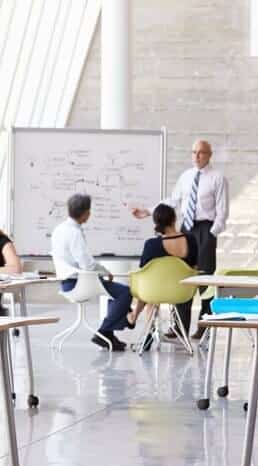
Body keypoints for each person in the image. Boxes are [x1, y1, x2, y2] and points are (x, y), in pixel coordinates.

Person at [132, 139, 229, 338]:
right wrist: (148, 211)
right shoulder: (186, 176)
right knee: (182, 277)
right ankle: (179, 326)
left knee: (204, 279)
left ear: (209, 154)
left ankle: (204, 325)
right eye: (193, 152)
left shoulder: (217, 178)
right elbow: (172, 200)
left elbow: (222, 211)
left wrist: (211, 234)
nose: (196, 156)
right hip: (186, 230)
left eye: (201, 153)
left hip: (205, 229)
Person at [51, 193, 132, 351]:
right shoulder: (74, 233)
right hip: (79, 284)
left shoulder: (59, 229)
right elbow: (87, 265)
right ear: (86, 213)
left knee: (113, 294)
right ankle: (104, 332)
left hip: (66, 282)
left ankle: (108, 334)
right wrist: (104, 271)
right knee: (124, 293)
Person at [128, 203, 198, 329]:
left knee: (150, 286)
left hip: (156, 292)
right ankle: (135, 316)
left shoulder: (152, 244)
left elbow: (143, 271)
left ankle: (145, 328)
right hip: (183, 292)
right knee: (154, 286)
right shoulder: (191, 239)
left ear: (156, 222)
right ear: (174, 219)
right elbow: (195, 267)